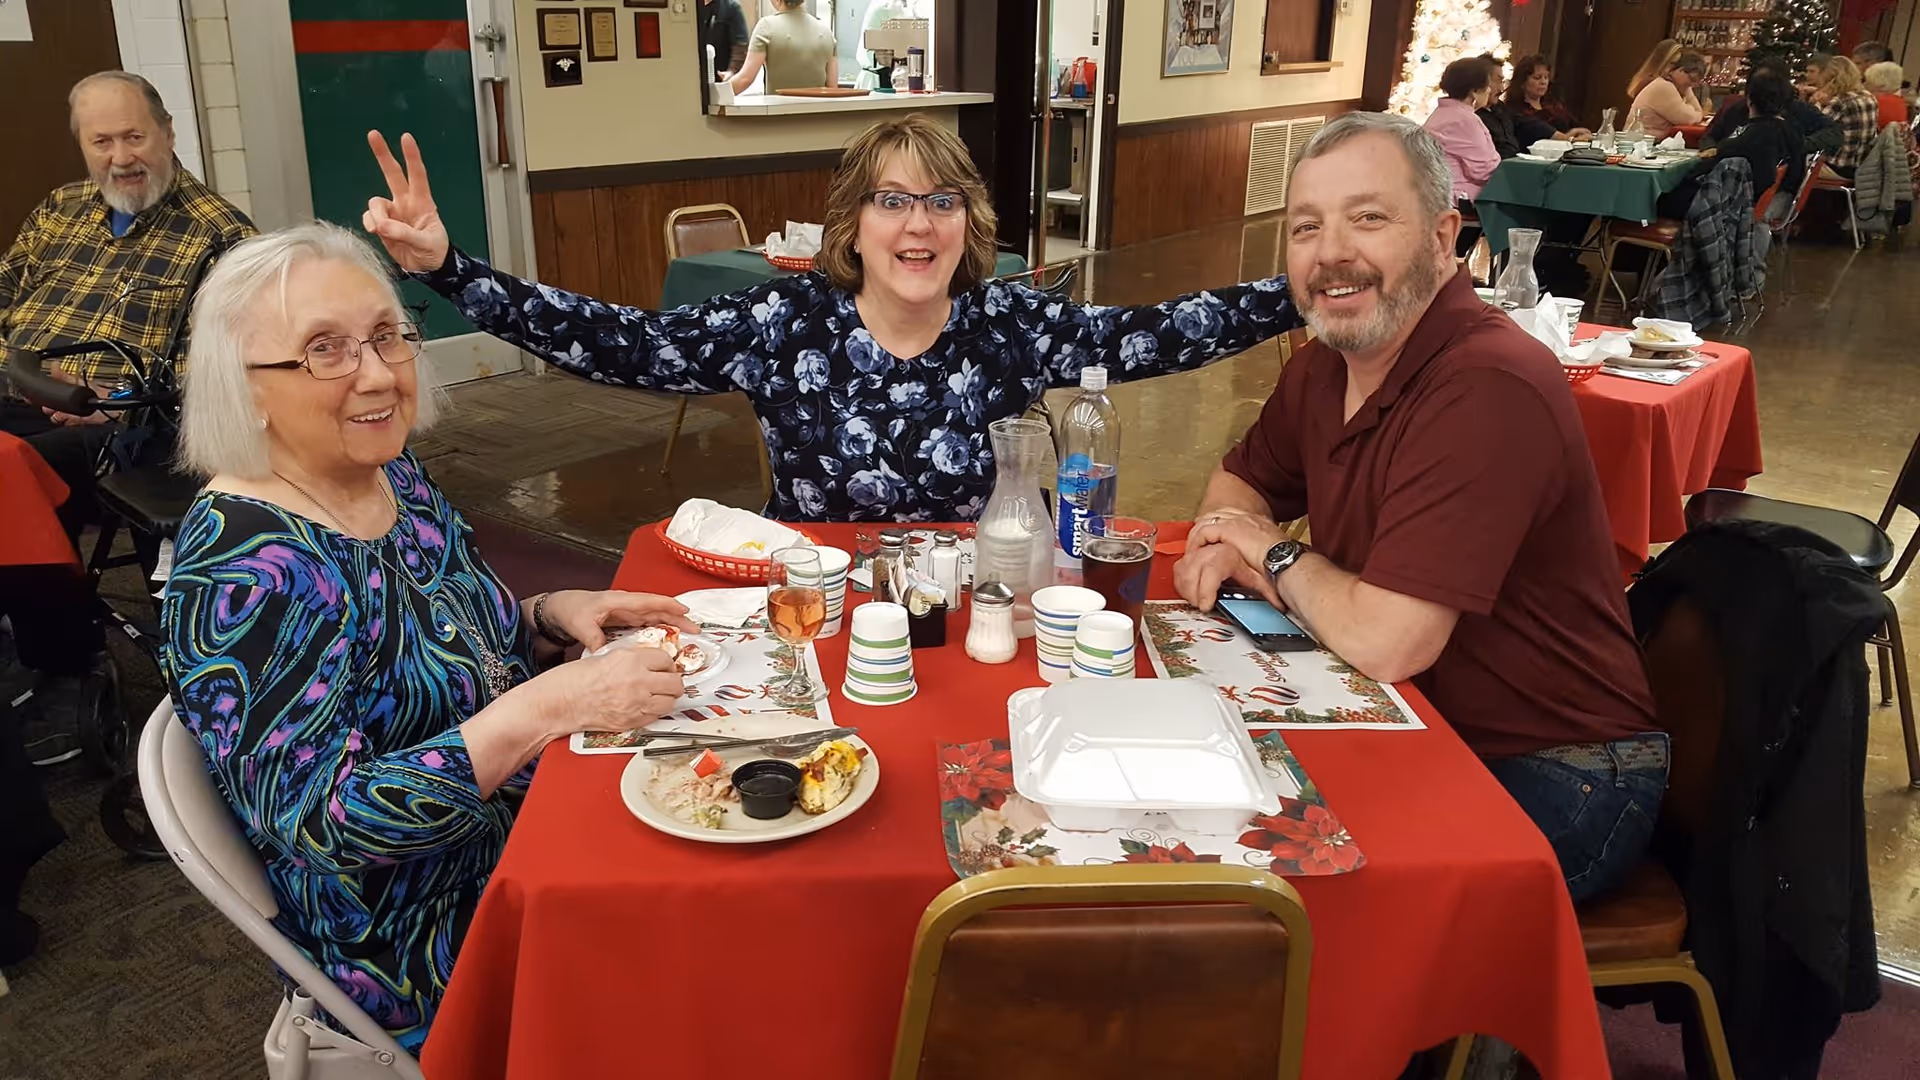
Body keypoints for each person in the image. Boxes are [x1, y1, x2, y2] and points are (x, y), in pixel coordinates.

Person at [159, 221, 702, 1052]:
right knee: (708, 931)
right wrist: (549, 708)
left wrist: (548, 616)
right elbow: (326, 825)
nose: (376, 373)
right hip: (422, 932)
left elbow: (449, 649)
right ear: (246, 387)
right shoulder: (246, 570)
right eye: (325, 350)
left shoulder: (387, 474)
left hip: (518, 826)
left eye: (387, 336)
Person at [1173, 112, 1665, 904]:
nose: (1332, 251)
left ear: (1445, 237)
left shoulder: (1487, 383)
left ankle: (1437, 1023)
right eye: (1307, 227)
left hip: (1556, 769)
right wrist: (1231, 537)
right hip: (1407, 717)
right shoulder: (1328, 362)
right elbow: (1236, 492)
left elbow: (1388, 639)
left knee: (1282, 896)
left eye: (1368, 217)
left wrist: (1274, 555)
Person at [361, 116, 1306, 523]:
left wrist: (1299, 292)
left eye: (941, 202)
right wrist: (451, 269)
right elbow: (629, 346)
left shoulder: (1010, 324)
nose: (918, 224)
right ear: (852, 223)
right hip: (816, 608)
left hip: (982, 605)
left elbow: (1164, 330)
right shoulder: (785, 319)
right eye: (892, 202)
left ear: (968, 222)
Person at [1, 71, 255, 519]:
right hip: (12, 387)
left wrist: (117, 399)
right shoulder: (62, 206)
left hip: (112, 428)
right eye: (101, 142)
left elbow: (228, 375)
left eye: (134, 136)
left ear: (168, 131)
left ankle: (58, 590)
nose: (121, 158)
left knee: (10, 475)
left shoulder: (223, 237)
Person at [1657, 73, 1804, 220]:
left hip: (1719, 209)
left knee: (1657, 196)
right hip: (1760, 203)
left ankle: (1643, 228)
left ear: (1749, 99)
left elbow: (1698, 171)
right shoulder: (1792, 132)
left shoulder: (1742, 142)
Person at [1424, 57, 1500, 257]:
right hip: (1458, 199)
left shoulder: (1442, 113)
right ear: (1474, 91)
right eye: (1487, 85)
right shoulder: (1465, 119)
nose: (1491, 90)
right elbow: (1484, 170)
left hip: (1438, 193)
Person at [1705, 51, 1842, 158]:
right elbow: (1710, 135)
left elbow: (1834, 132)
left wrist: (1801, 145)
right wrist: (1711, 150)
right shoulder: (1739, 108)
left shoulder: (1798, 110)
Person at [729, 0, 837, 94]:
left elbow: (744, 79)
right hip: (817, 115)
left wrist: (717, 92)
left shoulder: (766, 27)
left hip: (778, 115)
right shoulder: (826, 32)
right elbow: (832, 87)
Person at [1503, 54, 1589, 144]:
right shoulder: (1515, 110)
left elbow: (1575, 126)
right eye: (1537, 78)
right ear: (1522, 82)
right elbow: (1538, 130)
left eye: (1546, 77)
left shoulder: (1553, 105)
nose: (1543, 82)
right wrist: (1569, 137)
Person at [1818, 56, 1880, 177]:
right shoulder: (1869, 97)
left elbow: (1814, 133)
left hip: (1836, 166)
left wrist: (1816, 105)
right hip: (1860, 166)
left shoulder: (1840, 102)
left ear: (1832, 79)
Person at [1629, 50, 1707, 140]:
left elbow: (1698, 112)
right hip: (1640, 143)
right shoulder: (1664, 87)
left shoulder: (1676, 85)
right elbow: (1687, 119)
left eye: (1696, 82)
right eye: (1692, 79)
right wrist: (1692, 110)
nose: (1692, 85)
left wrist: (1692, 108)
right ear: (1680, 70)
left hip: (1650, 142)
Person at [1474, 54, 1522, 159]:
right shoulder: (1472, 117)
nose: (1502, 89)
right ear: (1482, 80)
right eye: (1498, 80)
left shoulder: (1500, 108)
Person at [699, 0, 750, 82]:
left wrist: (732, 71)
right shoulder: (689, 8)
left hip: (720, 77)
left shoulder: (730, 7)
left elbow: (740, 45)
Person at [1865, 60, 1908, 128]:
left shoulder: (1877, 103)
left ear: (1881, 85)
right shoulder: (1900, 102)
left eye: (1869, 82)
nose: (1865, 85)